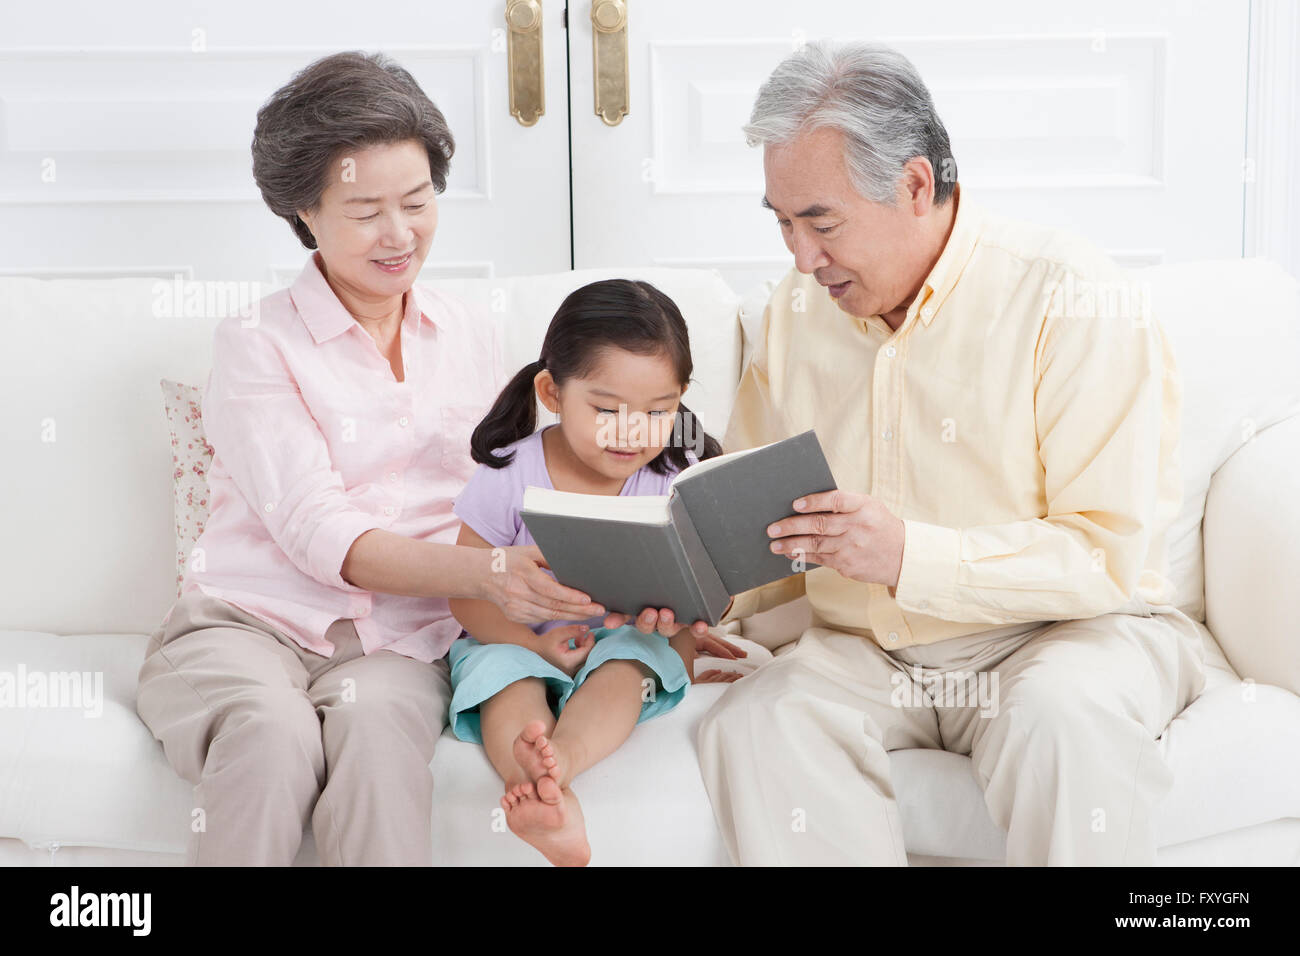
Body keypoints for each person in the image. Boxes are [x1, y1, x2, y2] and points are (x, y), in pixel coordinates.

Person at [695, 40, 1207, 866]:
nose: (801, 256)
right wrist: (696, 597)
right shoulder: (794, 313)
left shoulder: (1070, 297)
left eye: (821, 222)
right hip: (864, 649)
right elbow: (755, 520)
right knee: (762, 720)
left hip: (1059, 635)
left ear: (915, 185)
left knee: (1062, 719)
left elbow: (1109, 554)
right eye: (783, 223)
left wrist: (908, 555)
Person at [136, 51, 620, 866]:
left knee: (376, 738)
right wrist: (490, 575)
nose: (400, 236)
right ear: (305, 212)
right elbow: (316, 529)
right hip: (247, 626)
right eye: (366, 211)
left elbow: (511, 494)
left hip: (402, 643)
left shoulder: (474, 335)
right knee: (271, 732)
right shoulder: (255, 344)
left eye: (419, 201)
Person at [447, 278, 743, 866]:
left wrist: (694, 612)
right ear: (552, 393)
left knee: (628, 661)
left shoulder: (677, 473)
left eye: (659, 412)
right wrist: (531, 643)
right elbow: (465, 592)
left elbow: (715, 592)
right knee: (505, 676)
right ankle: (530, 779)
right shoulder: (510, 471)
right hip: (520, 637)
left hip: (632, 638)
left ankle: (563, 765)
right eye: (606, 410)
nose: (632, 432)